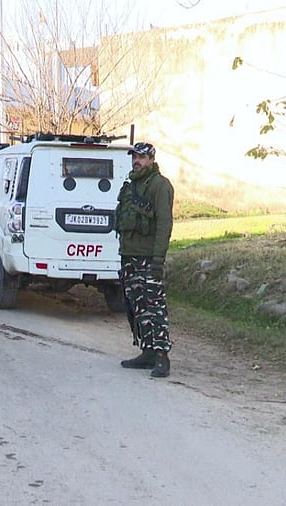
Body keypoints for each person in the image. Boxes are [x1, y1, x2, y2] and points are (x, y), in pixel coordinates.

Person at [114, 142, 175, 378]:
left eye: (141, 157)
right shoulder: (131, 186)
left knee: (155, 307)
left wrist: (158, 259)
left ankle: (162, 357)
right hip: (129, 256)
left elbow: (164, 225)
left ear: (151, 159)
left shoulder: (159, 186)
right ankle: (147, 351)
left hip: (149, 258)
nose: (136, 160)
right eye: (134, 157)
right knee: (137, 306)